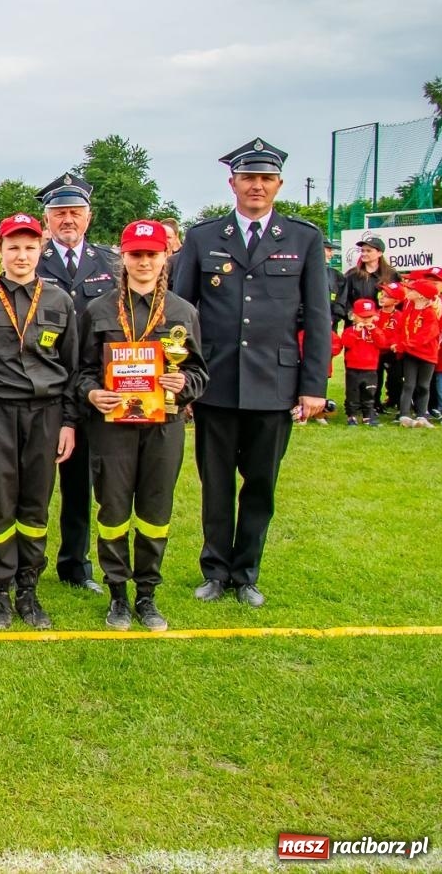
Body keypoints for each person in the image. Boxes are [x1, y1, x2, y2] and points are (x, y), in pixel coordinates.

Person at [169, 138, 331, 607]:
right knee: (215, 484)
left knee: (260, 484)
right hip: (215, 382)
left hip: (274, 384)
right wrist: (184, 384)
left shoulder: (303, 238)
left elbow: (317, 316)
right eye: (248, 178)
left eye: (265, 179)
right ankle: (215, 571)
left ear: (278, 184)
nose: (256, 186)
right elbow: (182, 316)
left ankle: (247, 573)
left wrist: (313, 387)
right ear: (232, 183)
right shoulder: (204, 237)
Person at [76, 221, 209, 632]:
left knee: (155, 512)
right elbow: (81, 372)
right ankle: (117, 594)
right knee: (113, 511)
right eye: (136, 254)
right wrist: (92, 394)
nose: (144, 262)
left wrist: (183, 383)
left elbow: (200, 372)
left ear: (165, 256)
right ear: (123, 257)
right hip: (111, 428)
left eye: (152, 254)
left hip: (163, 427)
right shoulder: (98, 310)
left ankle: (147, 594)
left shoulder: (183, 311)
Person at [0, 212, 80, 630]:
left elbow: (72, 365)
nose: (22, 255)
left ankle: (28, 587)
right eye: (13, 247)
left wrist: (69, 421)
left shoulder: (60, 301)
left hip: (46, 414)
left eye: (30, 247)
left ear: (42, 248)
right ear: (0, 249)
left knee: (35, 502)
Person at [33, 171, 122, 595]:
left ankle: (76, 564)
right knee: (40, 478)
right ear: (46, 218)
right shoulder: (32, 259)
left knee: (86, 479)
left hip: (97, 389)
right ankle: (25, 561)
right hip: (45, 387)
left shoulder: (111, 263)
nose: (68, 219)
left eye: (75, 212)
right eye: (59, 212)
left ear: (88, 217)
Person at [395, 276, 440, 428]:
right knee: (408, 384)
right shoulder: (408, 309)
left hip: (427, 355)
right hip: (410, 354)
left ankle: (422, 415)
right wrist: (399, 344)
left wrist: (405, 344)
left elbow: (427, 335)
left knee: (423, 385)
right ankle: (404, 414)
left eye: (411, 289)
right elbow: (401, 329)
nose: (407, 290)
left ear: (421, 295)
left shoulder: (430, 313)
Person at [339, 298, 386, 426]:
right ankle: (352, 416)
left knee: (369, 393)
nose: (366, 320)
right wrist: (356, 332)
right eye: (362, 316)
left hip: (370, 368)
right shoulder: (350, 330)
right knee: (352, 393)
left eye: (369, 316)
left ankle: (367, 416)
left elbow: (382, 344)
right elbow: (346, 343)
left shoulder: (376, 330)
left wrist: (374, 331)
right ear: (354, 316)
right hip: (353, 367)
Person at [375, 281, 406, 412]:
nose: (382, 297)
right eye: (381, 294)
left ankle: (396, 401)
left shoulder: (400, 316)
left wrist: (394, 344)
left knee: (395, 379)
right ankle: (375, 403)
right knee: (376, 379)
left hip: (393, 352)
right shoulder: (374, 315)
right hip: (376, 352)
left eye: (386, 296)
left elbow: (401, 334)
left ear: (396, 301)